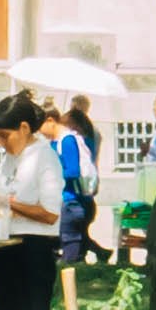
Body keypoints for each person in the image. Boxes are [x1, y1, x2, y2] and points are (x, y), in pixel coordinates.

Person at [0, 96, 65, 310]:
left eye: (4, 136)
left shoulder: (45, 156)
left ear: (23, 128)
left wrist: (6, 203)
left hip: (33, 252)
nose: (1, 143)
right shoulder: (10, 158)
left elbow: (50, 214)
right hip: (5, 247)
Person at [57, 96, 100, 265]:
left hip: (74, 196)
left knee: (72, 237)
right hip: (85, 192)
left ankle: (73, 268)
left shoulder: (71, 140)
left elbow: (73, 170)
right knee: (80, 235)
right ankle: (98, 254)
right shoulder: (91, 135)